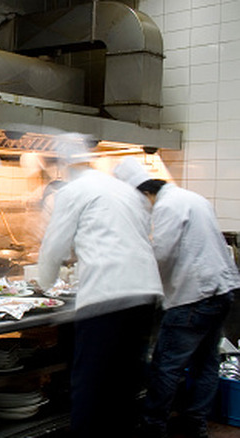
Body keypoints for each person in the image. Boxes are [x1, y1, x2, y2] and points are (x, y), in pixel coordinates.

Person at [37, 135, 163, 438]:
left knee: (91, 388)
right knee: (125, 386)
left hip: (108, 298)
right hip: (145, 296)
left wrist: (44, 287)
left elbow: (54, 247)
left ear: (64, 164)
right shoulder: (123, 189)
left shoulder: (74, 190)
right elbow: (138, 235)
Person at [114, 157, 240, 438]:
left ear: (145, 194)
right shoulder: (191, 197)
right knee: (206, 363)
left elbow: (161, 252)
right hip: (221, 292)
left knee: (166, 366)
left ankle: (153, 427)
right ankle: (195, 424)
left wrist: (129, 277)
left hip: (195, 298)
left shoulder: (167, 206)